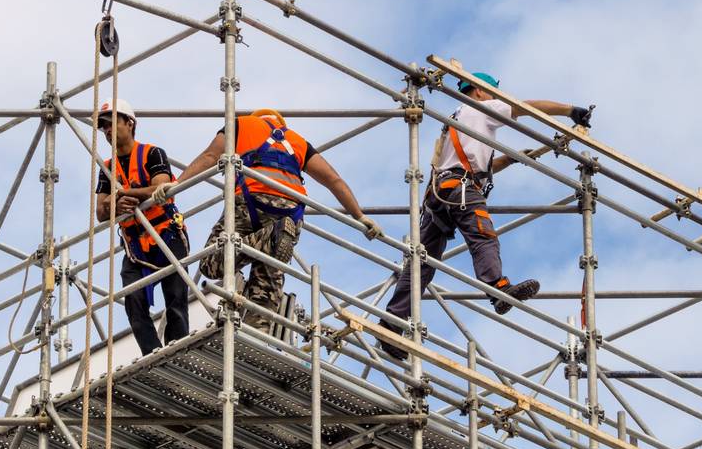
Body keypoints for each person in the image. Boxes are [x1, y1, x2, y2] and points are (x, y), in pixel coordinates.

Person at [376, 72, 594, 360]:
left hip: (440, 194)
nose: (495, 99)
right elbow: (525, 107)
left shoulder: (457, 118)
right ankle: (497, 288)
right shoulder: (482, 108)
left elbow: (472, 165)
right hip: (461, 190)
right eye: (492, 93)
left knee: (421, 265)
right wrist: (570, 111)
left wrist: (509, 158)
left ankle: (391, 324)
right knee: (483, 236)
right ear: (478, 91)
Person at [158, 109, 381, 330]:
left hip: (250, 200)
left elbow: (210, 156)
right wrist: (360, 217)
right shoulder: (298, 142)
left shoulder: (241, 124)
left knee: (211, 263)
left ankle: (271, 238)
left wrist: (177, 184)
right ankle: (257, 333)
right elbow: (334, 180)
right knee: (267, 280)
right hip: (291, 212)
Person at [95, 98, 189, 356]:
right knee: (134, 302)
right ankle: (153, 354)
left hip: (166, 235)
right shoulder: (107, 168)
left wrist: (128, 193)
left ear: (130, 123)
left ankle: (178, 353)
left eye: (112, 123)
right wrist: (116, 202)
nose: (107, 131)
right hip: (135, 244)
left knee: (176, 299)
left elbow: (162, 188)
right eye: (103, 127)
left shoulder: (152, 153)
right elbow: (101, 213)